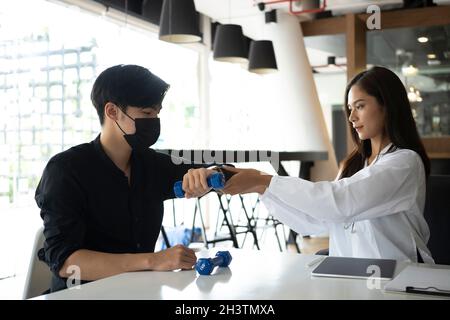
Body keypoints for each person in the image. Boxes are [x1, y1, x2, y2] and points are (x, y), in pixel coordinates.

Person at [183, 66, 433, 263]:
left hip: (400, 281)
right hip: (354, 281)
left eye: (360, 106)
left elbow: (341, 202)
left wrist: (263, 179)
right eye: (349, 108)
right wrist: (260, 188)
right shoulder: (355, 165)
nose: (351, 117)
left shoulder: (404, 164)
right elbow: (316, 221)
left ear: (387, 106)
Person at [35, 65, 209, 292]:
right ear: (112, 111)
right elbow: (67, 262)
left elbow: (218, 174)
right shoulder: (66, 170)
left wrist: (210, 174)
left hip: (141, 293)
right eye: (147, 113)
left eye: (157, 113)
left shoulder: (151, 164)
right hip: (80, 296)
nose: (154, 120)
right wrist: (153, 260)